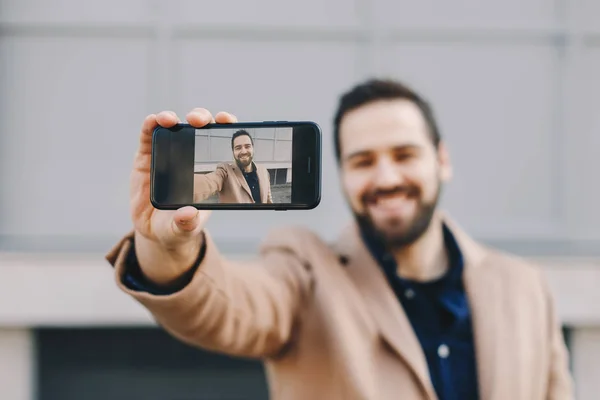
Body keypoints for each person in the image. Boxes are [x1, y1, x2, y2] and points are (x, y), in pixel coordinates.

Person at [106, 79, 574, 400]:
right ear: (344, 174)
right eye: (363, 160)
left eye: (404, 154)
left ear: (442, 160)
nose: (386, 177)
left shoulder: (526, 288)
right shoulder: (304, 269)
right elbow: (230, 309)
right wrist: (169, 247)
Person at [193, 129, 273, 203]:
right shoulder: (225, 171)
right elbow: (209, 181)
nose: (244, 151)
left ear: (253, 148)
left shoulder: (264, 171)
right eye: (238, 148)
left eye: (247, 146)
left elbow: (268, 200)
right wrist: (184, 186)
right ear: (233, 151)